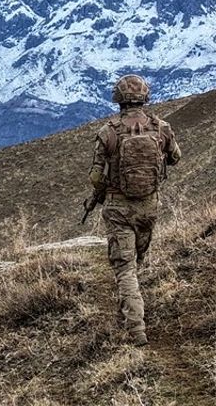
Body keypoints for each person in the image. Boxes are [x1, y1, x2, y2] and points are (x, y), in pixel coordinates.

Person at [89, 74, 181, 346]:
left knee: (125, 268)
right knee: (136, 260)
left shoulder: (109, 132)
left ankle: (136, 328)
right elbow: (175, 158)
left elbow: (95, 176)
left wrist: (105, 187)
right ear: (145, 97)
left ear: (118, 99)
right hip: (149, 206)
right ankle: (131, 306)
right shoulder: (161, 127)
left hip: (119, 208)